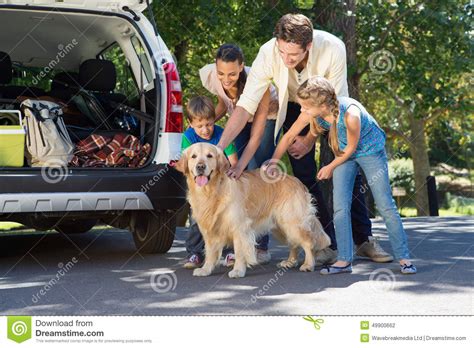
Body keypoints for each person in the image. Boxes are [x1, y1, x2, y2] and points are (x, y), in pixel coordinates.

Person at [216, 13, 392, 265]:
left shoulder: (333, 48)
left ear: (308, 46)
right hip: (290, 107)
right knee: (305, 175)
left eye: (293, 56)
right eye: (282, 52)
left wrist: (310, 137)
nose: (286, 60)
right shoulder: (268, 52)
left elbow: (335, 106)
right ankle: (324, 245)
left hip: (328, 110)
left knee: (346, 168)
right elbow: (245, 106)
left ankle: (364, 238)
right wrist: (220, 147)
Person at [265, 76, 417, 275]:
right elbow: (289, 136)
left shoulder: (350, 114)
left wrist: (329, 167)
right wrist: (274, 161)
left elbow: (352, 148)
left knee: (385, 205)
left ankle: (404, 259)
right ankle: (344, 260)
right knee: (340, 208)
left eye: (305, 107)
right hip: (343, 154)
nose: (302, 110)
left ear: (321, 105)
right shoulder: (314, 113)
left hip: (369, 151)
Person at [199, 43, 279, 264]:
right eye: (222, 72)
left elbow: (256, 137)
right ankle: (238, 238)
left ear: (242, 67)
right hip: (239, 117)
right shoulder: (212, 76)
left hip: (267, 118)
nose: (226, 78)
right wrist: (203, 126)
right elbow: (224, 104)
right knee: (235, 177)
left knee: (256, 171)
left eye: (233, 74)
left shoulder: (258, 83)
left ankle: (260, 247)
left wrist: (240, 165)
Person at [181, 96, 238, 269]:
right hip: (199, 189)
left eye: (209, 124)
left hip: (222, 185)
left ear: (215, 119)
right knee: (197, 218)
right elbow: (185, 165)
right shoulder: (188, 137)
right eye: (200, 126)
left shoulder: (222, 134)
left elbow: (234, 162)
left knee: (226, 217)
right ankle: (195, 253)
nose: (205, 130)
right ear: (190, 123)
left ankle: (230, 252)